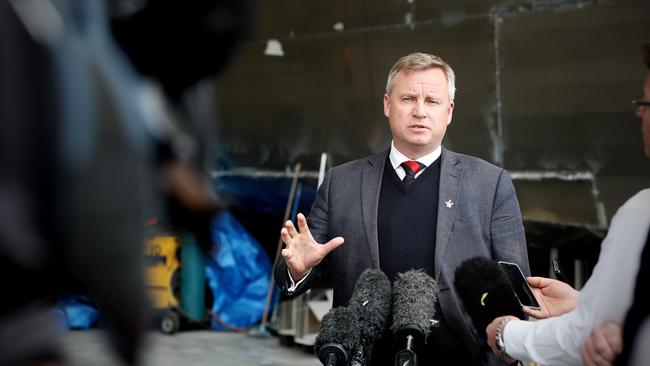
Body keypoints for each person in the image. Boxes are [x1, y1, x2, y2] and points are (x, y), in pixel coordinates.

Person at [274, 52, 530, 365]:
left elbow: (516, 287)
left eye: (432, 101)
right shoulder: (342, 182)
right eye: (408, 98)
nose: (420, 111)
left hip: (464, 356)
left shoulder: (490, 184)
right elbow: (296, 268)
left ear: (449, 111)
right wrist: (298, 269)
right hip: (367, 357)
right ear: (387, 105)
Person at [485, 42, 650, 366]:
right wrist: (583, 304)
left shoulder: (641, 215)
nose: (639, 112)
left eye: (644, 101)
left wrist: (507, 334)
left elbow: (581, 338)